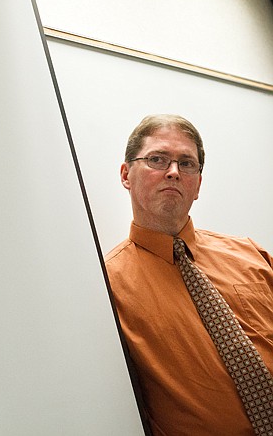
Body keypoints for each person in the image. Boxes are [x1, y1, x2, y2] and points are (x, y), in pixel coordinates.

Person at [105, 114, 273, 435]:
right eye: (157, 159)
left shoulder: (253, 255)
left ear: (197, 184)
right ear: (126, 174)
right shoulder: (105, 286)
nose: (173, 172)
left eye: (187, 164)